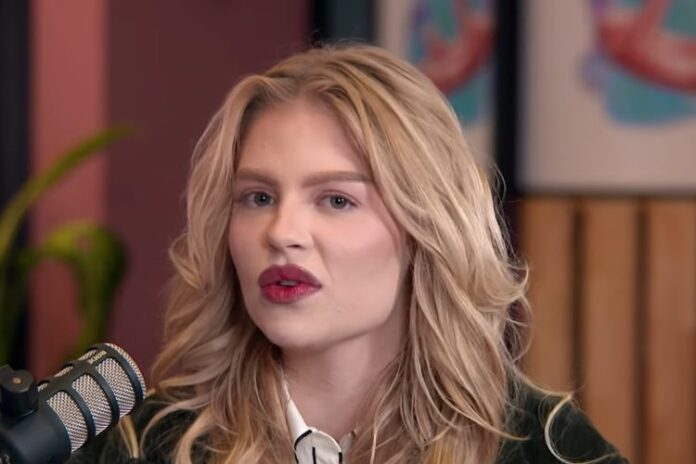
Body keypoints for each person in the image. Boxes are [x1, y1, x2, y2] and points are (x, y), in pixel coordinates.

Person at [68, 44, 627, 464]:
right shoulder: (138, 445)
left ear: (425, 228)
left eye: (336, 200)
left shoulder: (543, 446)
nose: (282, 232)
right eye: (258, 197)